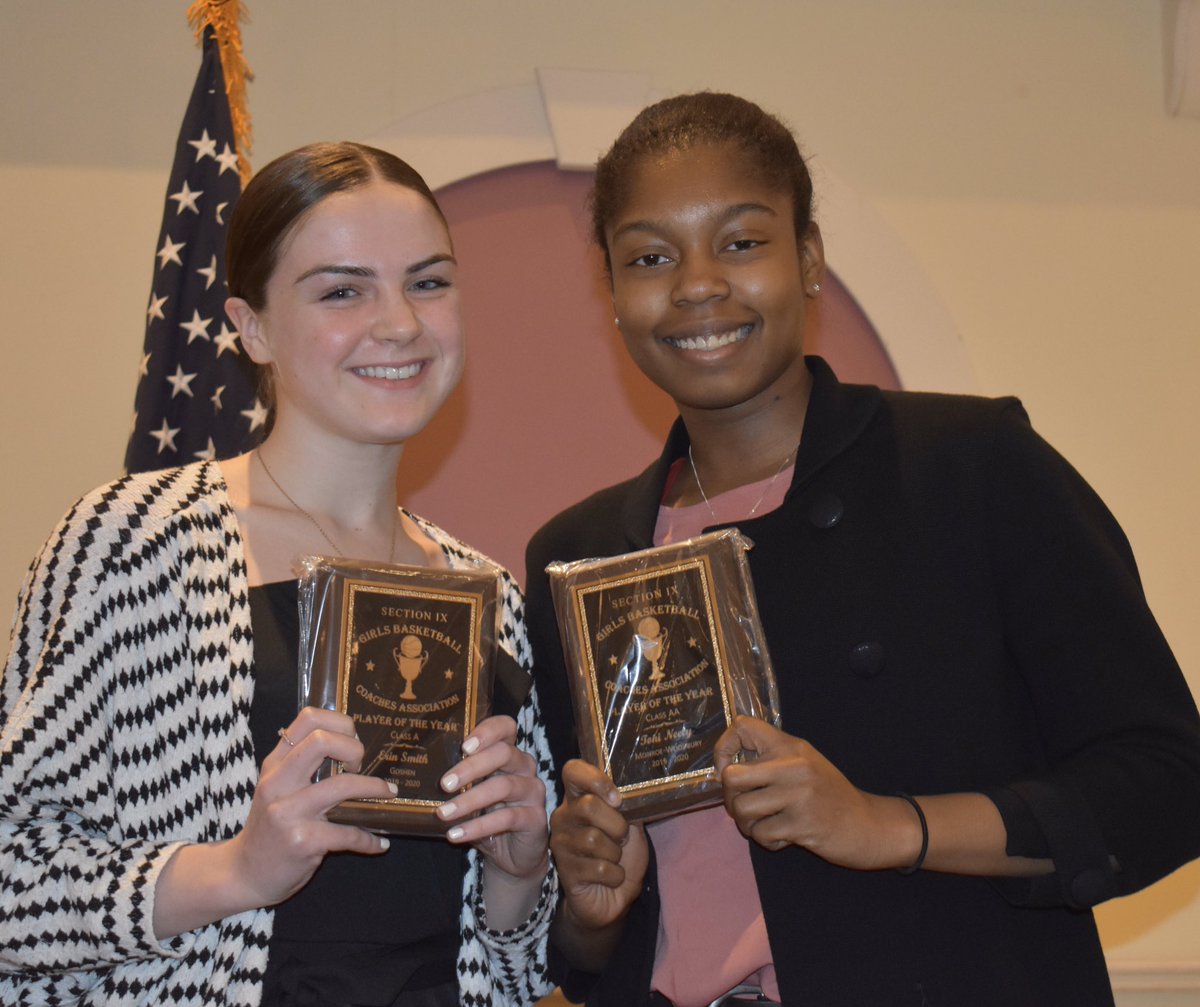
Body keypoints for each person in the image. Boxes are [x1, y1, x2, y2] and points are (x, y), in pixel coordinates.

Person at [524, 92, 1200, 1007]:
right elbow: (588, 944)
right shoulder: (581, 554)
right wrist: (594, 906)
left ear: (808, 258)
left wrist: (891, 826)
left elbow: (1164, 781)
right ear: (612, 294)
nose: (695, 285)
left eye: (741, 241)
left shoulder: (970, 469)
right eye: (649, 258)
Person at [0, 142, 556, 1006]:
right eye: (343, 290)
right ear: (250, 325)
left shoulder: (488, 596)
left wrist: (519, 871)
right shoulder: (136, 543)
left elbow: (519, 965)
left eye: (429, 281)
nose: (401, 322)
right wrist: (237, 867)